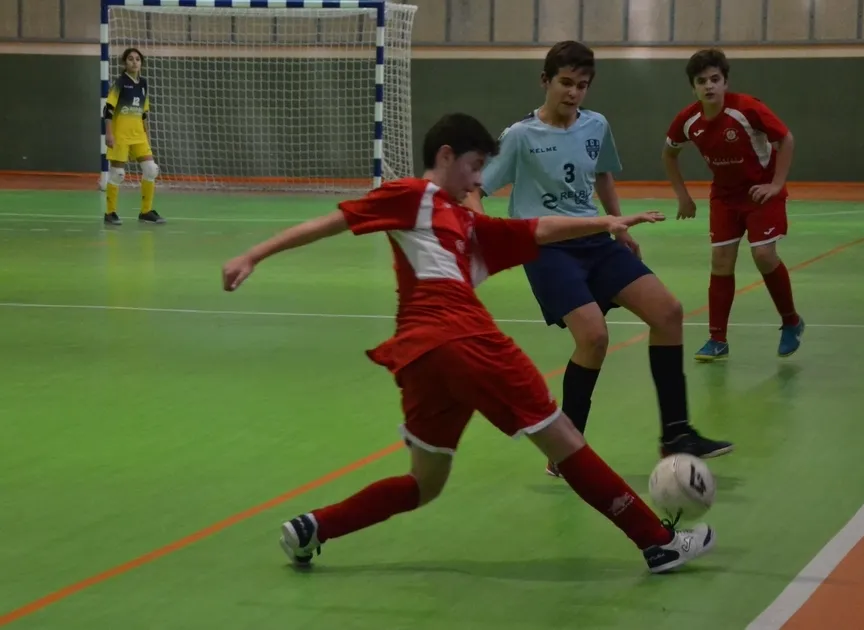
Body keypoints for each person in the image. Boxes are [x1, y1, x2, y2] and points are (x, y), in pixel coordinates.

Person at [221, 113, 716, 575]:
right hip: (464, 338)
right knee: (563, 437)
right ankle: (658, 542)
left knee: (425, 483)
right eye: (475, 167)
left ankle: (314, 528)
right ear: (446, 156)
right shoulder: (414, 195)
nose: (479, 181)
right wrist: (254, 254)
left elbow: (536, 228)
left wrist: (604, 222)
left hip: (422, 357)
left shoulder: (465, 224)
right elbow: (334, 221)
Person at [465, 41, 733, 476]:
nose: (573, 92)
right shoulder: (520, 136)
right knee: (593, 337)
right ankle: (566, 450)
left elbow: (603, 173)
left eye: (582, 85)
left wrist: (619, 225)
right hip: (547, 248)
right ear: (545, 81)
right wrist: (485, 231)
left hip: (595, 238)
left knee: (668, 312)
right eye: (565, 83)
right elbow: (476, 188)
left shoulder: (596, 125)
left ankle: (676, 434)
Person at [662, 48, 803, 361]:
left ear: (725, 82)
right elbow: (669, 153)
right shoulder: (688, 120)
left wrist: (776, 185)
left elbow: (786, 139)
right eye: (702, 81)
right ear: (693, 88)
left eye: (715, 79)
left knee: (763, 255)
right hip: (725, 197)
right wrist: (683, 196)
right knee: (721, 261)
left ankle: (791, 321)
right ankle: (718, 340)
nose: (709, 86)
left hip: (760, 194)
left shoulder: (747, 108)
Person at [103, 47, 165, 226]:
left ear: (141, 63)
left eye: (137, 59)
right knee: (118, 174)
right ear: (125, 63)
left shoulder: (143, 83)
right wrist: (109, 133)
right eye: (130, 59)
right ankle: (110, 213)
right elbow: (108, 110)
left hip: (139, 135)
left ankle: (146, 211)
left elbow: (144, 113)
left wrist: (147, 135)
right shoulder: (120, 83)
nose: (134, 62)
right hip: (120, 135)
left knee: (151, 169)